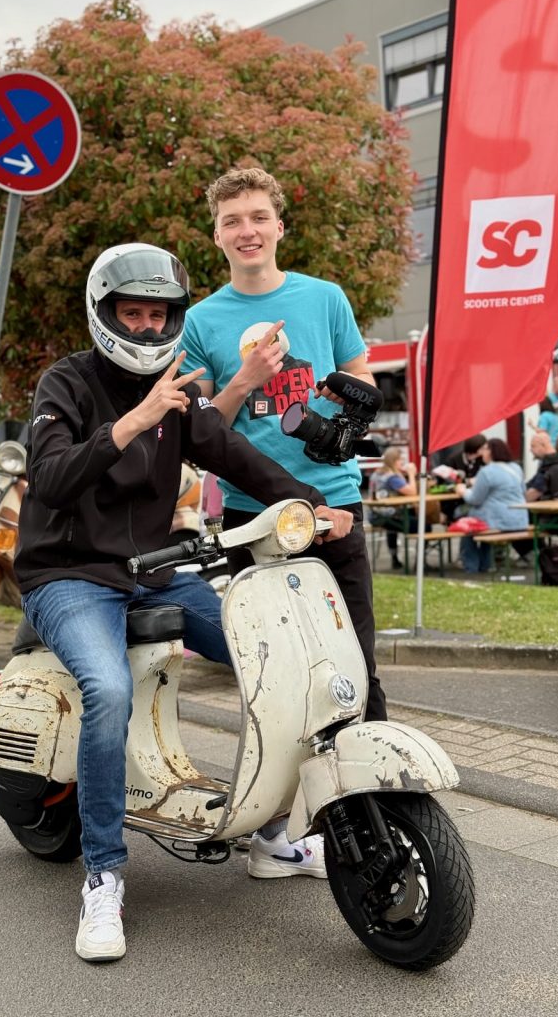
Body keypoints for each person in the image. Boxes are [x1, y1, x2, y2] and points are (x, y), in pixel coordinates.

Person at [14, 243, 354, 963]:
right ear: (106, 314)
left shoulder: (185, 393)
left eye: (158, 315)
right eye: (131, 314)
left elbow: (236, 457)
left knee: (272, 660)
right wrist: (134, 421)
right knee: (108, 690)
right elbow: (48, 481)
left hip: (154, 568)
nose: (144, 328)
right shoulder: (66, 384)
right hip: (67, 575)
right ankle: (103, 876)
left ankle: (270, 836)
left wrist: (316, 505)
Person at [180, 166, 385, 723]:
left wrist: (354, 405)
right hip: (255, 511)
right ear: (217, 236)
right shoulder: (199, 322)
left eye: (259, 217)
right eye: (233, 221)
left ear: (279, 227)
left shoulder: (325, 298)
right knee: (279, 669)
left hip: (333, 498)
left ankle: (372, 796)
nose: (247, 230)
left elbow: (361, 377)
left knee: (355, 661)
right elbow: (200, 429)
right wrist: (243, 380)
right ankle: (286, 799)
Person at [455, 438, 529, 573]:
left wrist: (463, 491)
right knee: (482, 522)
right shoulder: (516, 468)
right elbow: (523, 492)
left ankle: (471, 567)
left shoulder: (486, 472)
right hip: (520, 519)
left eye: (485, 449)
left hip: (499, 521)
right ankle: (486, 565)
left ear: (491, 452)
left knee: (467, 523)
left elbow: (475, 500)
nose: (482, 453)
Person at [368, 447, 418, 569]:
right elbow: (412, 492)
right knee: (424, 526)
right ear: (394, 461)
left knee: (394, 526)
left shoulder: (377, 473)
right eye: (401, 460)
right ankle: (420, 563)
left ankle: (394, 558)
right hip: (386, 515)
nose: (403, 463)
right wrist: (411, 474)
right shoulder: (392, 477)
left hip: (374, 515)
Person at [525, 431, 558, 502]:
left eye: (533, 446)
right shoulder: (554, 463)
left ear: (543, 445)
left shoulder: (550, 466)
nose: (530, 449)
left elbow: (536, 491)